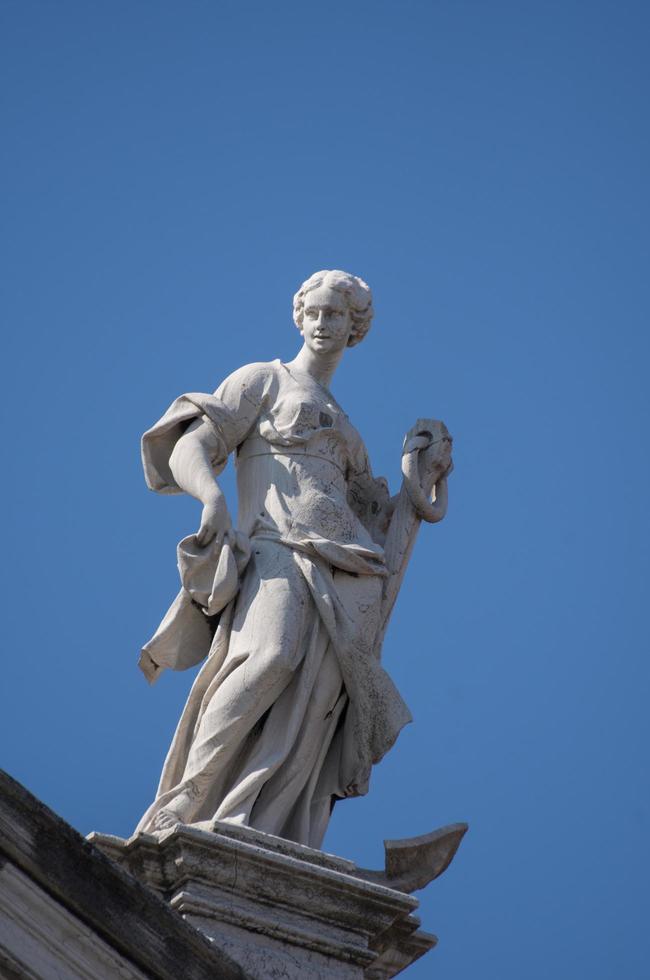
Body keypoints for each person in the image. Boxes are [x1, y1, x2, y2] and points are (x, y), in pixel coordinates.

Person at [135, 270, 448, 848]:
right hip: (277, 547)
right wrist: (211, 498)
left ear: (356, 328)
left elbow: (378, 530)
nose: (325, 325)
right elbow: (191, 445)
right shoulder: (265, 380)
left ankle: (271, 825)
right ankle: (186, 799)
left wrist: (417, 479)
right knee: (270, 656)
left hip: (344, 571)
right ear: (300, 318)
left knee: (317, 704)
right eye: (316, 313)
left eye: (338, 316)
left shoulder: (350, 434)